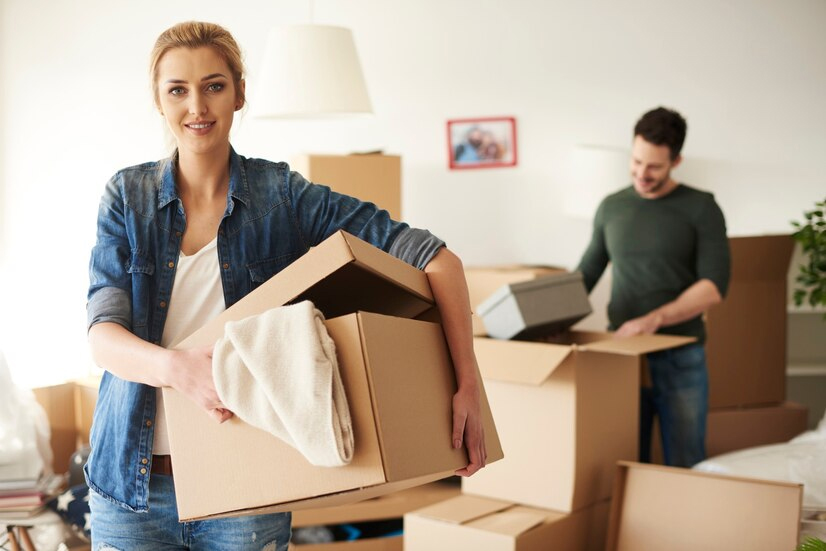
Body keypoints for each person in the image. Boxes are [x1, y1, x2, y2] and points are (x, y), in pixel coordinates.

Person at [85, 21, 486, 551]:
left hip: (248, 480)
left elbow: (438, 260)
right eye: (177, 90)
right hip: (131, 488)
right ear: (159, 101)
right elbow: (102, 334)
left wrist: (467, 386)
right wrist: (179, 371)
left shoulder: (282, 196)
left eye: (214, 85)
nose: (197, 107)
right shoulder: (126, 197)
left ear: (240, 93)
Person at [575, 107, 730, 468]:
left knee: (686, 462)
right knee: (625, 460)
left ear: (676, 160)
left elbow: (713, 286)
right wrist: (540, 316)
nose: (642, 174)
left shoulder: (702, 208)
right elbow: (586, 274)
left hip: (681, 356)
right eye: (636, 161)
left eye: (654, 167)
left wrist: (653, 319)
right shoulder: (612, 207)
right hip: (624, 355)